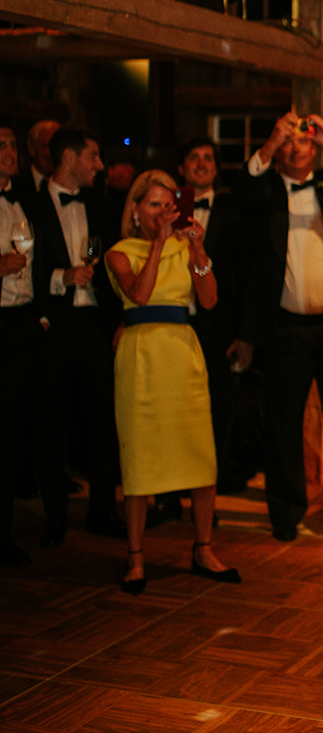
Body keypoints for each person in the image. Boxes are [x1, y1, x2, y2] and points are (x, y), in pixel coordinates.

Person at [230, 110, 323, 536]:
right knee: (283, 422)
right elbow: (242, 191)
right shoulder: (266, 191)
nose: (297, 148)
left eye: (303, 142)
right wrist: (270, 141)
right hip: (286, 327)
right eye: (289, 143)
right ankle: (286, 512)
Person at [105, 170, 239, 594]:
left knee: (200, 453)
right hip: (142, 354)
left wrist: (197, 246)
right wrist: (162, 242)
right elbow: (139, 296)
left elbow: (210, 298)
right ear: (136, 210)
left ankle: (203, 548)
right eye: (155, 204)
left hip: (182, 352)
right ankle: (136, 556)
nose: (164, 212)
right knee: (140, 457)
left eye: (169, 204)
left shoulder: (187, 248)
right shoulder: (119, 253)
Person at [31, 125, 124, 546]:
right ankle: (55, 514)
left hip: (96, 326)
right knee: (53, 421)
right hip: (54, 326)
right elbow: (28, 272)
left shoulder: (102, 206)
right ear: (69, 158)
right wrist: (61, 277)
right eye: (93, 156)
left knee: (104, 420)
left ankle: (102, 510)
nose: (100, 165)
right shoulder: (29, 207)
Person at [176, 136, 247, 493]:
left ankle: (206, 488)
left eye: (208, 158)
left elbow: (243, 275)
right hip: (171, 321)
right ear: (181, 167)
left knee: (212, 407)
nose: (201, 163)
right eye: (193, 157)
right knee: (173, 407)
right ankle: (171, 491)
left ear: (216, 168)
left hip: (215, 325)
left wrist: (242, 333)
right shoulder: (167, 211)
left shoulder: (232, 210)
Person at [0, 124, 41, 566]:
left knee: (12, 433)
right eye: (2, 146)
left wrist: (40, 318)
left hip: (21, 324)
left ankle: (4, 533)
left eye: (13, 145)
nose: (10, 152)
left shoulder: (24, 199)